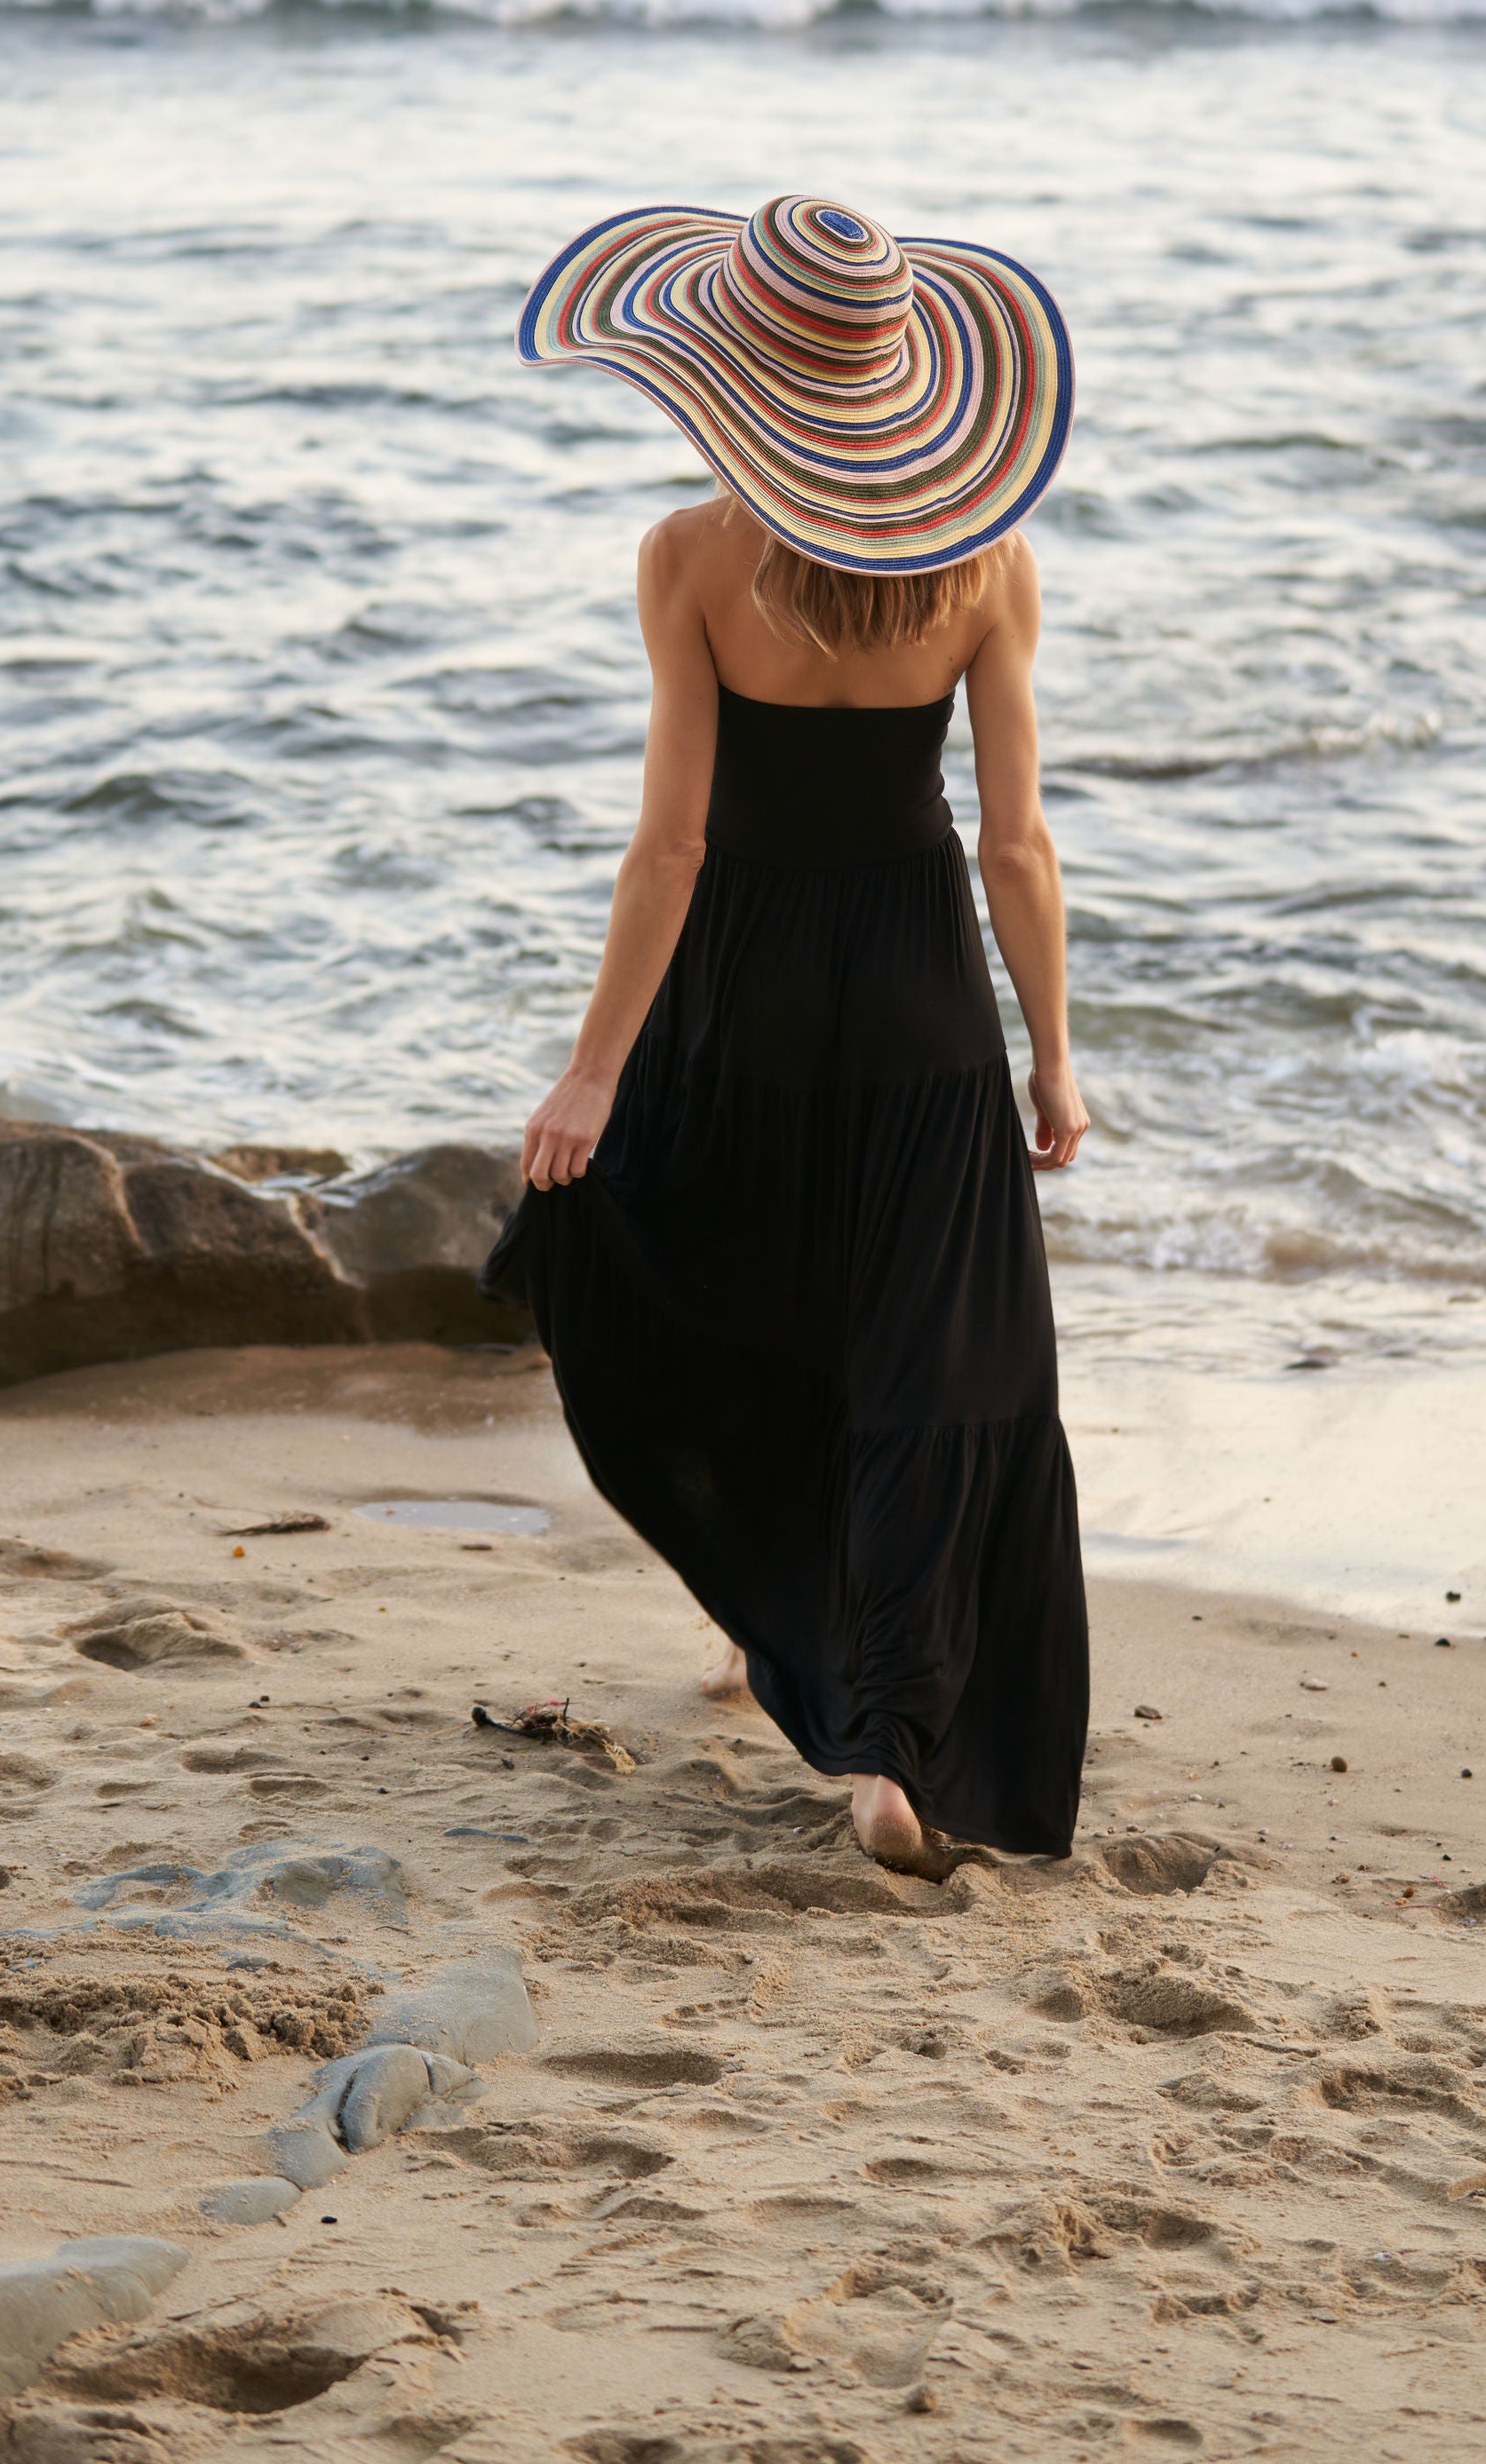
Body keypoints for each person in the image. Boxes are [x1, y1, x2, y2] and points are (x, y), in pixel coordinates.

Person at [481, 193, 1089, 1867]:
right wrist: (1051, 1049)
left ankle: (773, 1635)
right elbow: (1017, 842)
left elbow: (670, 845)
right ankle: (888, 1749)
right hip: (916, 990)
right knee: (930, 1366)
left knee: (744, 1297)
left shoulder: (687, 560)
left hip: (737, 987)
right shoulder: (989, 571)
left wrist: (594, 1068)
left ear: (731, 383)